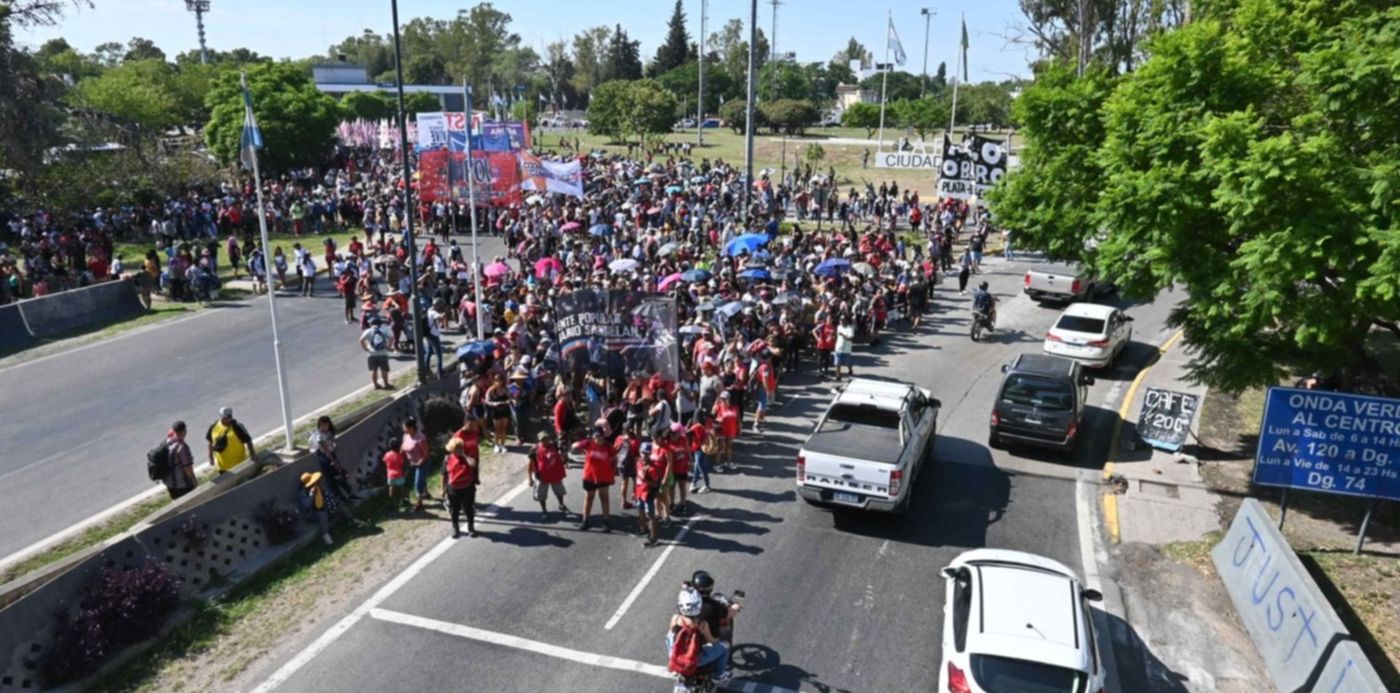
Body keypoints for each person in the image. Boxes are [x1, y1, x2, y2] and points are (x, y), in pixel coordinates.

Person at [666, 587, 731, 685]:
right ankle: (718, 676)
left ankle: (675, 668)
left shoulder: (675, 619)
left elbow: (672, 633)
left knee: (669, 636)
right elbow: (712, 641)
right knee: (724, 648)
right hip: (695, 659)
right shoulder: (702, 624)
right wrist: (718, 640)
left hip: (675, 655)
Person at [571, 426, 615, 531]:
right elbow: (574, 445)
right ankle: (585, 521)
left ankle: (606, 522)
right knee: (589, 498)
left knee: (604, 498)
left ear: (603, 436)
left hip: (604, 477)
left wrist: (613, 473)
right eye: (595, 436)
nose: (598, 439)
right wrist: (580, 449)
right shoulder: (588, 443)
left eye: (600, 436)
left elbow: (614, 460)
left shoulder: (608, 446)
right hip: (589, 476)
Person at [309, 415, 358, 502]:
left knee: (340, 475)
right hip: (325, 457)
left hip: (332, 454)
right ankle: (342, 497)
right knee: (334, 477)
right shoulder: (319, 436)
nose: (324, 427)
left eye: (325, 425)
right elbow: (325, 450)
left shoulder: (330, 432)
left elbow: (332, 443)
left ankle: (349, 493)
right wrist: (333, 461)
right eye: (322, 425)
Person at [691, 570, 741, 646]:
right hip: (708, 640)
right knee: (724, 648)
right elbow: (730, 613)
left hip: (691, 638)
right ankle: (726, 653)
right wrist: (736, 607)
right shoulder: (712, 606)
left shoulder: (686, 602)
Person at [527, 431, 569, 519]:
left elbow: (562, 456)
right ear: (539, 440)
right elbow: (531, 464)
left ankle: (561, 504)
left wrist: (564, 458)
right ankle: (544, 510)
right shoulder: (534, 449)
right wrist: (530, 478)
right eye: (543, 439)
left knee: (559, 491)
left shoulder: (555, 446)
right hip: (541, 476)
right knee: (541, 495)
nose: (545, 441)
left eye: (546, 439)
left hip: (555, 474)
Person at [442, 437, 478, 538]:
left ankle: (471, 528)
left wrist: (464, 455)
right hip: (453, 489)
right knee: (454, 510)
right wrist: (443, 490)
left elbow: (473, 465)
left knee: (469, 508)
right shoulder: (447, 459)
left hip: (468, 487)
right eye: (456, 448)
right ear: (451, 449)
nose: (458, 450)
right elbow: (444, 475)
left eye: (460, 447)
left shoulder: (468, 456)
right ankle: (455, 527)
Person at [205, 406, 254, 474]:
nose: (228, 419)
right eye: (226, 417)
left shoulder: (237, 426)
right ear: (221, 417)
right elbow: (210, 442)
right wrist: (210, 457)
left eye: (229, 416)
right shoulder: (214, 426)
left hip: (240, 464)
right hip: (223, 466)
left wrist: (252, 454)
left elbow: (248, 440)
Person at [401, 417, 431, 511]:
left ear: (411, 428)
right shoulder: (406, 435)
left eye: (405, 427)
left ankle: (419, 503)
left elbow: (426, 454)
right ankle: (425, 493)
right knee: (420, 479)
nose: (403, 429)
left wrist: (419, 463)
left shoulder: (420, 438)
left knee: (418, 483)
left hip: (422, 463)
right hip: (412, 463)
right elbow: (403, 446)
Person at [299, 471, 336, 545]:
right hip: (312, 513)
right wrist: (312, 495)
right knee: (322, 514)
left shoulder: (318, 486)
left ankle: (351, 519)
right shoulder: (302, 493)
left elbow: (326, 496)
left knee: (337, 503)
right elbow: (307, 506)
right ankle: (325, 535)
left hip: (322, 507)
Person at [163, 421, 197, 500]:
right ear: (184, 431)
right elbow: (187, 468)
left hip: (169, 483)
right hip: (182, 484)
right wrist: (194, 481)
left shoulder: (167, 441)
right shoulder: (182, 447)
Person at [360, 317, 393, 389]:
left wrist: (366, 348)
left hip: (371, 353)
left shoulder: (367, 331)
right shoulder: (383, 330)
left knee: (373, 370)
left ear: (371, 324)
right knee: (384, 369)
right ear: (380, 324)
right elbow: (391, 338)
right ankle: (386, 384)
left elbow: (361, 340)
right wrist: (388, 347)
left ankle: (376, 385)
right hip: (383, 353)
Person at [712, 392, 739, 472]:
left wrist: (739, 429)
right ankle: (717, 464)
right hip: (721, 431)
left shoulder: (735, 408)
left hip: (731, 431)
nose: (723, 400)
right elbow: (712, 417)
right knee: (720, 448)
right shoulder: (718, 407)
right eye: (722, 399)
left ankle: (728, 462)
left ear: (729, 399)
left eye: (724, 399)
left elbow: (738, 420)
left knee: (729, 447)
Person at [383, 436, 407, 507]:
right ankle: (403, 500)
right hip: (399, 474)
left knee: (391, 487)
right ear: (398, 446)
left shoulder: (387, 454)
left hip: (390, 475)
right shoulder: (399, 455)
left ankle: (392, 501)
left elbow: (384, 462)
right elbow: (402, 464)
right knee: (401, 488)